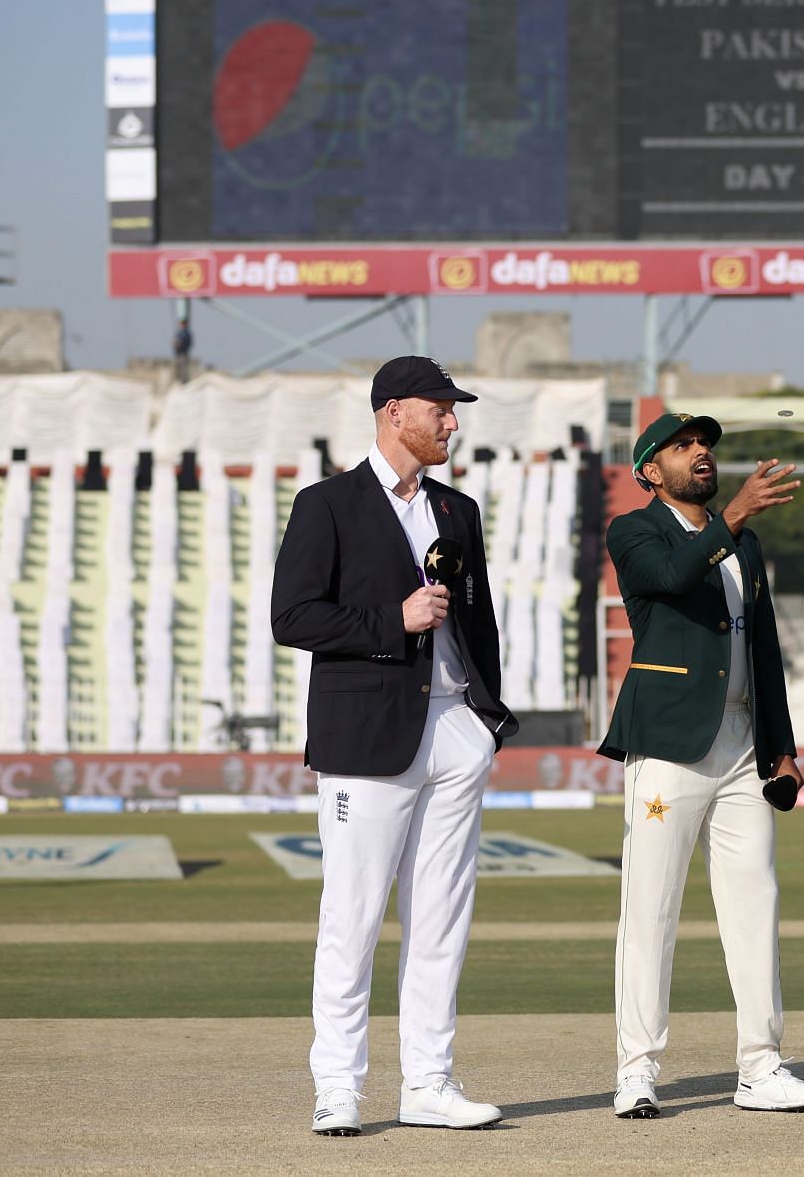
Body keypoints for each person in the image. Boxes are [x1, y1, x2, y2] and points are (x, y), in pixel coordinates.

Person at [271, 356, 517, 1138]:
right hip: (365, 735)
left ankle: (429, 1084)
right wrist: (392, 621)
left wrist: (486, 716)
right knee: (351, 915)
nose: (452, 422)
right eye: (441, 409)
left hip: (454, 728)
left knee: (442, 917)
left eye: (453, 410)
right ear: (393, 411)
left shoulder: (458, 508)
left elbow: (477, 626)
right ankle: (338, 1086)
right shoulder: (328, 505)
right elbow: (294, 618)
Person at [597, 413, 804, 1119]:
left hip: (742, 749)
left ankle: (761, 1067)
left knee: (755, 903)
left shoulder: (744, 545)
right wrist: (728, 519)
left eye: (706, 446)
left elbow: (764, 651)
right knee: (651, 909)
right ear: (649, 471)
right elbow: (667, 577)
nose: (701, 454)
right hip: (669, 745)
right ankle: (637, 1070)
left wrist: (782, 745)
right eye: (682, 447)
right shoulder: (635, 531)